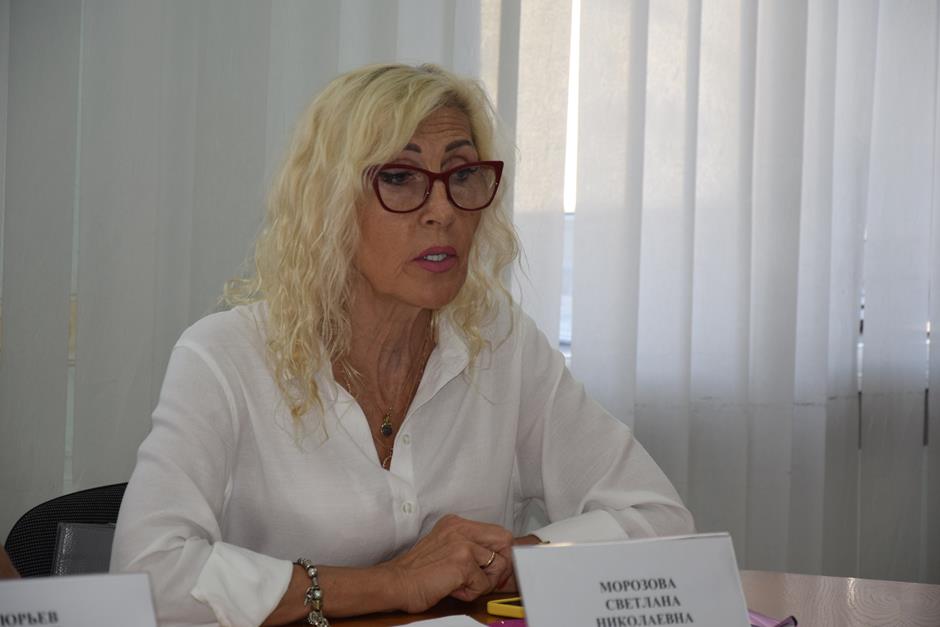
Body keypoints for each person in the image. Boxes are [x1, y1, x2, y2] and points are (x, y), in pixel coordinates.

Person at [110, 63, 694, 627]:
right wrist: (393, 583)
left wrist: (511, 559)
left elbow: (661, 521)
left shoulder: (499, 341)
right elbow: (147, 576)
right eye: (399, 177)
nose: (443, 211)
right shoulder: (224, 357)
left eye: (462, 175)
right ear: (329, 202)